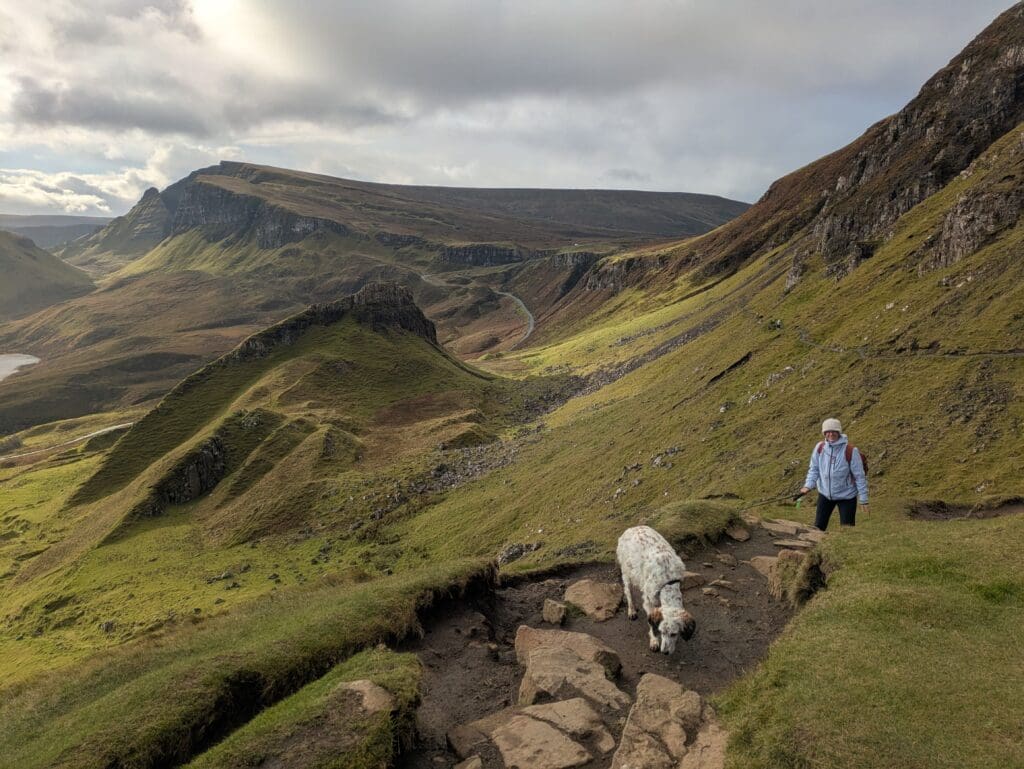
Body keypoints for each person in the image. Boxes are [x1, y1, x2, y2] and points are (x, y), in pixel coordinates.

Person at [799, 418, 869, 530]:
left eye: (834, 431)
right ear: (824, 433)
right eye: (827, 432)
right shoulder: (820, 448)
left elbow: (859, 477)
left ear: (839, 432)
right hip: (825, 494)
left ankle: (845, 547)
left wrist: (863, 500)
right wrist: (808, 486)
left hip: (847, 496)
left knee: (847, 530)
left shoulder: (851, 451)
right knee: (818, 527)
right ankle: (819, 547)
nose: (831, 434)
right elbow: (814, 469)